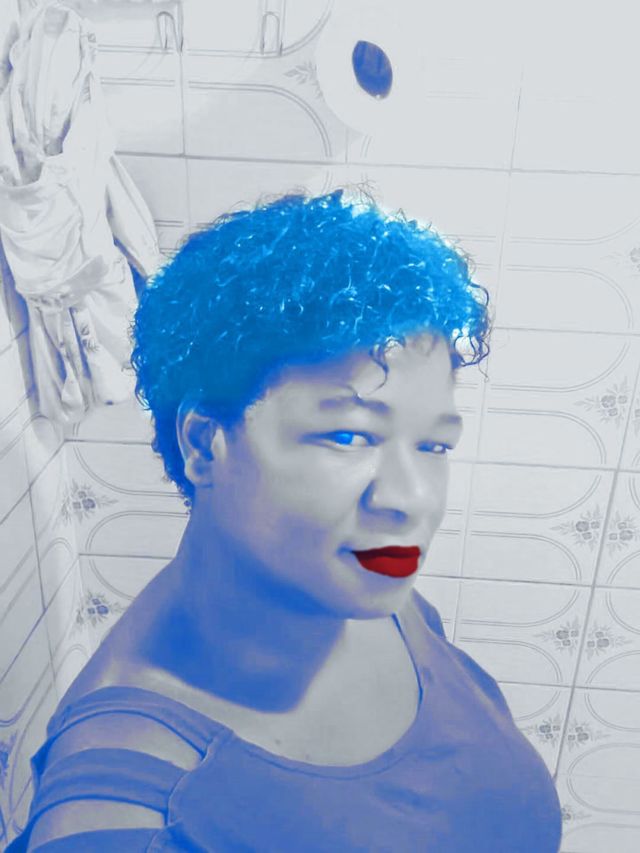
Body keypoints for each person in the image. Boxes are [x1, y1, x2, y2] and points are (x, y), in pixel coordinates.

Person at [8, 189, 563, 852]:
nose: (413, 497)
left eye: (434, 445)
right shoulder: (132, 816)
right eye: (349, 436)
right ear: (204, 443)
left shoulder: (350, 579)